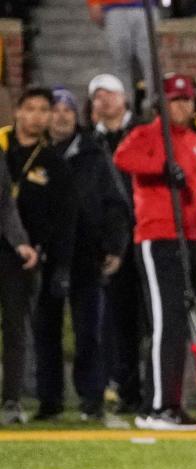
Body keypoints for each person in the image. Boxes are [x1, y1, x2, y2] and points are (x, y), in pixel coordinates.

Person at [113, 73, 196, 430]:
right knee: (166, 322)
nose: (181, 106)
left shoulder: (194, 140)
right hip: (159, 235)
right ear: (161, 104)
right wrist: (160, 167)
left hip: (190, 237)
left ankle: (171, 402)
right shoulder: (148, 135)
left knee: (179, 323)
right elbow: (123, 158)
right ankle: (157, 406)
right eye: (174, 100)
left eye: (185, 99)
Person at [35, 87, 128, 421]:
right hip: (44, 254)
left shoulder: (93, 152)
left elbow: (115, 203)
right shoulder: (35, 153)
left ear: (77, 115)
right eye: (55, 109)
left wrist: (116, 245)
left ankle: (92, 398)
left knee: (90, 330)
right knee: (45, 328)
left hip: (87, 252)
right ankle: (49, 400)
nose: (61, 116)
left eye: (68, 110)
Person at [0, 87, 78, 424]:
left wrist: (46, 252)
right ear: (17, 111)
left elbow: (61, 215)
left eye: (42, 110)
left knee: (16, 328)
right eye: (29, 108)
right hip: (16, 244)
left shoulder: (53, 161)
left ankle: (12, 400)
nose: (36, 116)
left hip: (22, 254)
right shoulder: (2, 147)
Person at [89, 73, 144, 416]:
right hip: (111, 239)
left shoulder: (140, 133)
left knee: (145, 320)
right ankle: (122, 386)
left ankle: (143, 387)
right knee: (116, 318)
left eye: (108, 95)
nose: (102, 102)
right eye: (97, 97)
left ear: (123, 98)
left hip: (145, 234)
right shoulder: (92, 140)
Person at [0, 147, 38, 425]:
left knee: (15, 325)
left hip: (6, 252)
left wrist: (20, 241)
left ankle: (11, 399)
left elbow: (4, 203)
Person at [86, 0, 155, 106]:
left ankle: (155, 107)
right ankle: (124, 108)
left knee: (151, 62)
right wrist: (94, 3)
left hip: (146, 7)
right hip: (114, 7)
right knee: (119, 64)